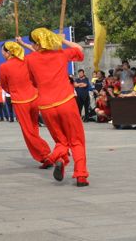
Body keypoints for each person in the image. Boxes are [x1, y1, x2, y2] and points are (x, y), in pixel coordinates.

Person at [23, 28, 89, 187]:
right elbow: (80, 50)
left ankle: (58, 157)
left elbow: (32, 81)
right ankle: (80, 175)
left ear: (38, 44)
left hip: (46, 106)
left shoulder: (30, 59)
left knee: (61, 140)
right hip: (66, 102)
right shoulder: (61, 54)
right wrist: (63, 41)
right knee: (76, 140)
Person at [0, 41, 52, 167]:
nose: (2, 53)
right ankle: (44, 157)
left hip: (20, 101)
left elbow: (5, 85)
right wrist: (22, 43)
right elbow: (38, 54)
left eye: (3, 51)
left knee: (28, 132)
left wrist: (12, 91)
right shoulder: (26, 60)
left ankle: (47, 154)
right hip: (33, 97)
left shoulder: (4, 67)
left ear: (9, 52)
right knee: (34, 128)